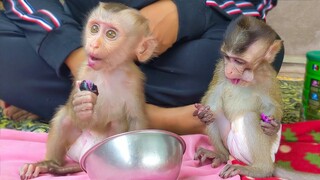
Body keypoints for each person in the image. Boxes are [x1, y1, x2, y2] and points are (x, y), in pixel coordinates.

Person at [0, 0, 283, 135]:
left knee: (254, 47)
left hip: (186, 44)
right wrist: (78, 61)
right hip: (84, 44)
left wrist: (185, 11)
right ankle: (153, 117)